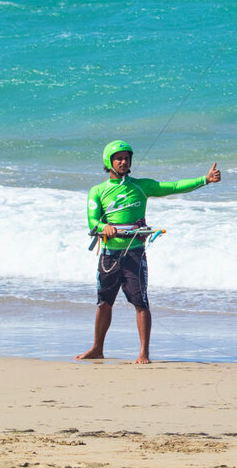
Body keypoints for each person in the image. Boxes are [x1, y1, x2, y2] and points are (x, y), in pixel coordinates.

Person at [76, 140, 221, 364]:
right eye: (119, 158)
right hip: (108, 256)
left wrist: (205, 180)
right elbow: (92, 222)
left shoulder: (141, 186)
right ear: (109, 162)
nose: (124, 162)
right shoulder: (97, 191)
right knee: (104, 302)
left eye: (126, 158)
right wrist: (105, 227)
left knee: (140, 302)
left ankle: (144, 353)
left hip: (134, 254)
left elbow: (173, 187)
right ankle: (97, 348)